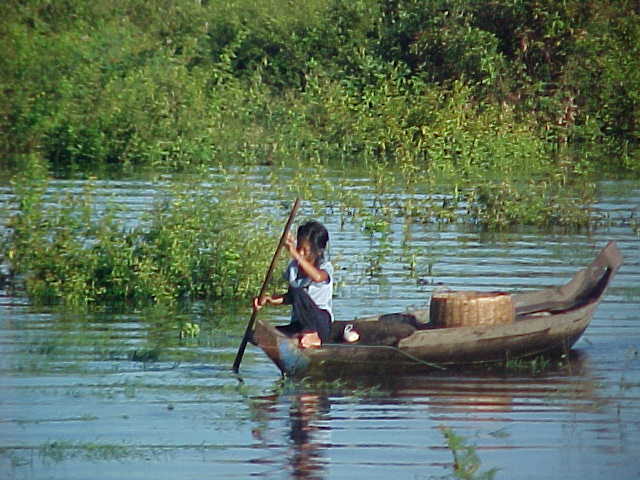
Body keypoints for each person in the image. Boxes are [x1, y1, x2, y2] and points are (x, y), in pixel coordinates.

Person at [253, 221, 333, 348]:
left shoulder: (325, 267)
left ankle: (312, 335)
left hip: (320, 324)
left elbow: (317, 277)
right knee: (258, 335)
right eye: (298, 248)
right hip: (299, 324)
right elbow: (291, 297)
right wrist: (269, 300)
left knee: (298, 290)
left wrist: (294, 253)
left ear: (318, 252)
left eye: (305, 251)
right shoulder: (293, 268)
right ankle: (301, 336)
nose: (300, 253)